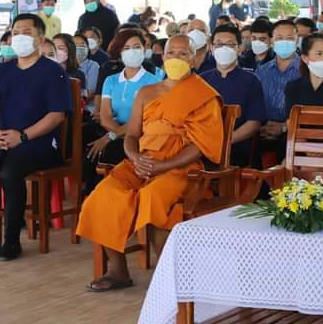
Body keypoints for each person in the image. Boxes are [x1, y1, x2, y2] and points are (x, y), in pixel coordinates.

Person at [78, 35, 224, 292]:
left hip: (181, 168)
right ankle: (118, 270)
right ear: (162, 57)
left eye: (183, 54)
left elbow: (201, 145)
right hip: (142, 163)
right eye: (171, 53)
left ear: (193, 58)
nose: (176, 58)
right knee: (103, 195)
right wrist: (135, 157)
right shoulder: (147, 92)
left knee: (153, 197)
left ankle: (168, 275)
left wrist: (164, 166)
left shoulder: (203, 94)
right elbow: (132, 134)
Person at [0, 13, 72, 260]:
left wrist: (23, 136)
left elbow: (57, 116)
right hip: (2, 139)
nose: (19, 37)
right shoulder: (2, 71)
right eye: (16, 32)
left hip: (38, 144)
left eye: (26, 32)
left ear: (40, 39)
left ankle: (11, 241)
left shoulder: (52, 72)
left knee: (11, 173)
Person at [83, 30, 160, 191]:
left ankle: (113, 194)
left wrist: (111, 137)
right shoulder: (111, 80)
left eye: (136, 47)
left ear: (144, 48)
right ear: (119, 52)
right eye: (126, 48)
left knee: (111, 149)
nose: (132, 51)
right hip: (116, 131)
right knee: (88, 140)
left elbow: (144, 120)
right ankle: (90, 194)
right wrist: (113, 135)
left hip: (140, 135)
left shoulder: (153, 82)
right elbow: (105, 117)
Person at [201, 25, 266, 167]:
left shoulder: (251, 81)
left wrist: (226, 141)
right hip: (202, 146)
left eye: (230, 44)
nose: (224, 48)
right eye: (219, 44)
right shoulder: (201, 81)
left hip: (236, 146)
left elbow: (254, 122)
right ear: (211, 48)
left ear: (239, 48)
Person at [255, 20, 301, 164]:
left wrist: (283, 127)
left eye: (289, 38)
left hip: (293, 130)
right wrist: (261, 126)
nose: (284, 42)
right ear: (271, 41)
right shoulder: (261, 71)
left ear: (297, 40)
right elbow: (254, 102)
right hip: (263, 128)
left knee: (287, 147)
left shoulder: (307, 71)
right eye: (279, 38)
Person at [74, 33, 100, 114]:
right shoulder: (64, 65)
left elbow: (89, 93)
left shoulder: (93, 65)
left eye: (83, 45)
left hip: (85, 108)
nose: (79, 48)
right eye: (76, 45)